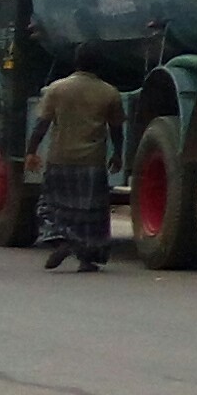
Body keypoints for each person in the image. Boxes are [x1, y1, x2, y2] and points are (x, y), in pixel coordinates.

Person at [30, 66, 122, 271]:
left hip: (60, 158)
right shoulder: (109, 92)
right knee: (91, 213)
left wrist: (31, 151)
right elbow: (116, 128)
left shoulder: (57, 89)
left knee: (50, 206)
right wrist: (118, 154)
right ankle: (87, 260)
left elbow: (41, 124)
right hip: (92, 161)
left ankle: (61, 239)